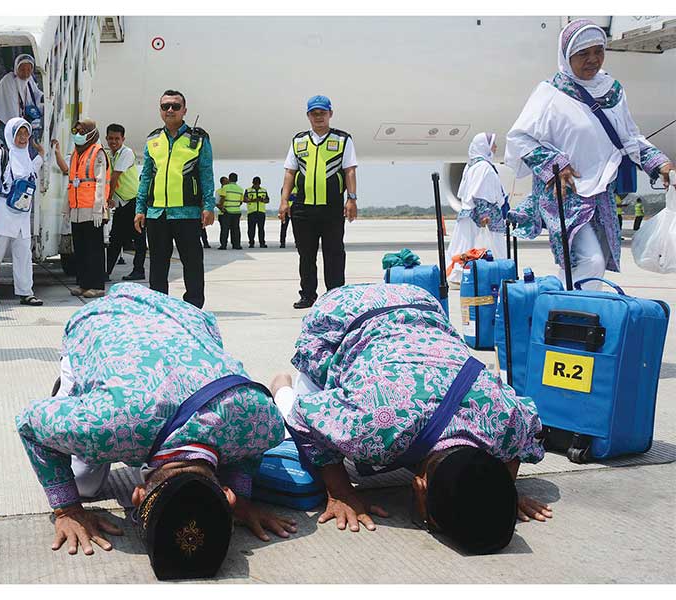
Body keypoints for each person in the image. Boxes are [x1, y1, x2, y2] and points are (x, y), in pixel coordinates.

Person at [16, 284, 296, 577]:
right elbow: (29, 423)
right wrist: (67, 509)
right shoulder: (101, 427)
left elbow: (249, 447)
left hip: (185, 317)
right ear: (137, 495)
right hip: (103, 320)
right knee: (83, 485)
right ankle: (73, 391)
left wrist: (244, 496)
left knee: (83, 482)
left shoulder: (261, 420)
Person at [271, 283, 552, 553]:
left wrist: (496, 493)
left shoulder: (505, 420)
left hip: (420, 302)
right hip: (345, 313)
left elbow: (527, 429)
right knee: (295, 423)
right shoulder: (374, 428)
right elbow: (303, 416)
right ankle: (281, 386)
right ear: (420, 489)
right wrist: (340, 491)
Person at [505, 19, 673, 290]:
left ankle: (572, 316)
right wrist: (554, 164)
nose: (593, 59)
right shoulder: (550, 93)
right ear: (566, 56)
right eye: (583, 54)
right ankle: (574, 315)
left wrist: (660, 164)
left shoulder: (613, 91)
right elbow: (519, 138)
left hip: (601, 195)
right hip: (566, 193)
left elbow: (629, 139)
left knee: (594, 262)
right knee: (590, 260)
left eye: (598, 51)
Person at [133, 90, 215, 309]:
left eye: (175, 106)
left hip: (187, 212)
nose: (170, 110)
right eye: (165, 106)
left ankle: (194, 307)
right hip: (157, 212)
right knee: (158, 264)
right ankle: (160, 307)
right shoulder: (153, 139)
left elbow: (206, 173)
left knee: (193, 263)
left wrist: (208, 205)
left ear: (184, 111)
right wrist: (140, 208)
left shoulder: (198, 138)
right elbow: (146, 176)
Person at [279, 95, 358, 309]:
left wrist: (351, 199)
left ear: (330, 114)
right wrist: (284, 201)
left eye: (322, 112)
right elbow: (290, 173)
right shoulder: (299, 141)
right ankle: (308, 295)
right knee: (306, 255)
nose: (319, 117)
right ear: (308, 116)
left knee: (334, 253)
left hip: (331, 207)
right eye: (314, 113)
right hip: (303, 209)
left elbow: (349, 170)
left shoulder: (342, 139)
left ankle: (335, 294)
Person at [0, 117, 44, 306]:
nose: (23, 138)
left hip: (22, 216)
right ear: (10, 135)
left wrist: (40, 155)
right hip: (2, 213)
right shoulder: (1, 156)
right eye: (19, 134)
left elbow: (30, 173)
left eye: (26, 133)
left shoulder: (26, 156)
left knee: (24, 254)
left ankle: (26, 292)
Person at [53, 118, 110, 298]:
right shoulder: (77, 153)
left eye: (82, 132)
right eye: (76, 132)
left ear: (91, 133)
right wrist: (66, 208)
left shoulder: (98, 152)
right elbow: (71, 181)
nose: (78, 135)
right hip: (77, 210)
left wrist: (98, 209)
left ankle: (97, 285)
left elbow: (101, 183)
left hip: (92, 211)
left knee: (94, 250)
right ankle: (84, 284)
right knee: (81, 250)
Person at [445, 132, 508, 287]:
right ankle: (497, 275)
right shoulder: (483, 167)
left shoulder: (471, 165)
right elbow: (480, 193)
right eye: (492, 143)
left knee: (464, 246)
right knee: (491, 247)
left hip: (469, 215)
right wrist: (484, 214)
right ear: (484, 146)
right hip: (482, 216)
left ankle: (458, 276)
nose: (495, 147)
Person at [104, 123, 146, 281]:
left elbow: (114, 177)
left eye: (117, 138)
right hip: (123, 203)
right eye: (110, 138)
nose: (113, 142)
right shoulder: (110, 155)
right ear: (106, 138)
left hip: (134, 201)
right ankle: (106, 271)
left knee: (139, 238)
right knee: (116, 238)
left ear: (123, 139)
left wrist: (108, 198)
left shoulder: (126, 152)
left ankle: (138, 270)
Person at [0, 53, 43, 147]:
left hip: (22, 123)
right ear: (16, 69)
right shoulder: (9, 80)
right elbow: (10, 106)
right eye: (22, 70)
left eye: (29, 70)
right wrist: (17, 123)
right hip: (6, 122)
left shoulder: (29, 80)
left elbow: (36, 95)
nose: (26, 73)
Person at [218, 172, 244, 250]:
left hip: (227, 211)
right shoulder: (240, 189)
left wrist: (222, 207)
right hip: (236, 211)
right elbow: (241, 201)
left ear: (229, 179)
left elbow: (222, 198)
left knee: (225, 229)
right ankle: (236, 245)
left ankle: (223, 245)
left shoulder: (225, 188)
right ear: (237, 179)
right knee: (236, 229)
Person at [245, 176, 269, 248]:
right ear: (252, 183)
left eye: (258, 184)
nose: (256, 185)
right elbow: (245, 200)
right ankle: (251, 243)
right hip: (252, 212)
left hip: (261, 212)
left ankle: (262, 243)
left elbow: (267, 200)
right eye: (255, 184)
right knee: (251, 229)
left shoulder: (264, 190)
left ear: (260, 183)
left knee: (261, 229)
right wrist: (254, 200)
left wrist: (262, 200)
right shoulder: (248, 190)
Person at [210, 176, 228, 250]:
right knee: (225, 230)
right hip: (223, 213)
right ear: (223, 182)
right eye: (226, 180)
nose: (228, 181)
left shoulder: (226, 190)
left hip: (226, 212)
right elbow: (217, 202)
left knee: (229, 229)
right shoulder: (219, 191)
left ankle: (230, 244)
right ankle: (224, 244)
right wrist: (221, 208)